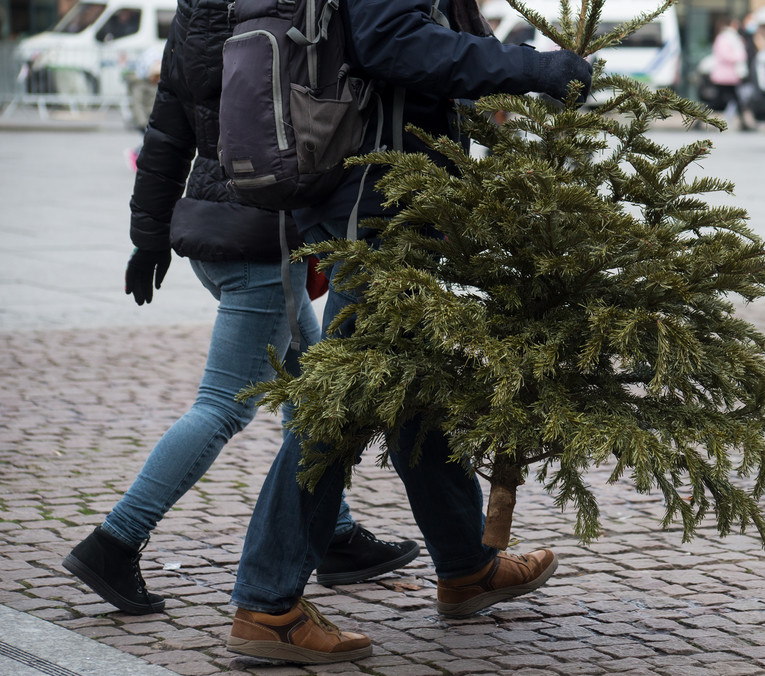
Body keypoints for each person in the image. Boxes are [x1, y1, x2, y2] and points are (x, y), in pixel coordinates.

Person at [225, 0, 592, 664]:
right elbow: (396, 44)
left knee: (410, 385)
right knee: (339, 402)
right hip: (376, 202)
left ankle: (465, 565)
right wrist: (534, 68)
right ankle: (267, 603)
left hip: (387, 198)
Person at [62, 0, 420, 617]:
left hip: (215, 224)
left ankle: (333, 536)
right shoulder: (285, 11)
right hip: (262, 237)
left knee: (310, 388)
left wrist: (148, 236)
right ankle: (114, 541)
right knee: (224, 404)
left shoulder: (199, 12)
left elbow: (166, 127)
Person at [709, 16, 752, 131]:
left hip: (732, 77)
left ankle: (744, 124)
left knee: (736, 100)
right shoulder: (724, 38)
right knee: (716, 102)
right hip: (723, 77)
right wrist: (740, 56)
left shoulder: (734, 38)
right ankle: (697, 119)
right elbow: (725, 56)